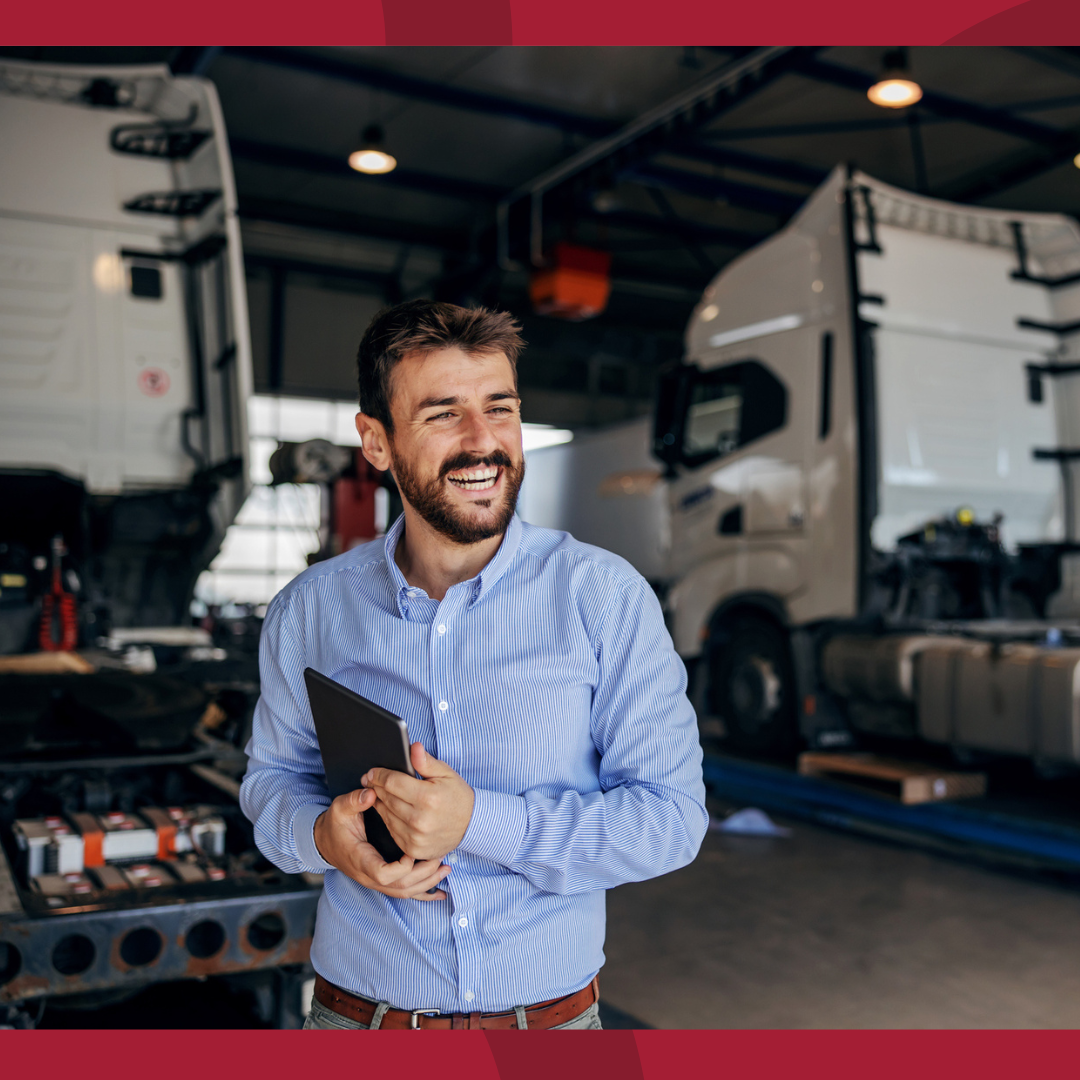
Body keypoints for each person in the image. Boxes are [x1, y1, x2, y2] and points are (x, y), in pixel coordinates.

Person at [240, 300, 708, 1030]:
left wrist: (480, 823)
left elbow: (671, 820)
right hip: (358, 1026)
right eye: (442, 415)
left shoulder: (602, 598)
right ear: (376, 442)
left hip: (549, 1032)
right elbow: (271, 781)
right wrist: (321, 836)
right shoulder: (311, 610)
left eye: (500, 408)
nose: (484, 442)